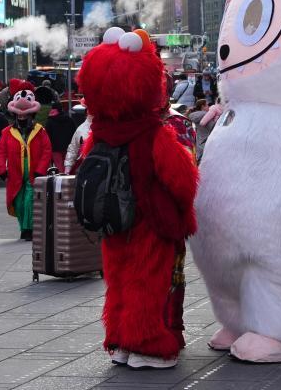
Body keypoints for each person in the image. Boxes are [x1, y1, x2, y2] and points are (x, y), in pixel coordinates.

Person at [76, 27, 198, 370]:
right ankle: (147, 346)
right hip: (149, 219)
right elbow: (182, 179)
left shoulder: (98, 133)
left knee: (118, 281)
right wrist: (184, 215)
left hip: (113, 221)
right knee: (147, 282)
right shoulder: (153, 134)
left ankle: (117, 341)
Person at [0, 81, 51, 241]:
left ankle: (29, 229)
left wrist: (41, 169)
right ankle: (23, 226)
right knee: (18, 201)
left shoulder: (40, 131)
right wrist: (1, 170)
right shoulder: (7, 132)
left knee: (30, 199)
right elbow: (0, 151)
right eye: (19, 113)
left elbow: (47, 151)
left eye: (25, 113)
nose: (22, 115)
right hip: (15, 171)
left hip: (33, 171)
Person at [44, 102, 76, 171]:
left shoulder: (50, 121)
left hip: (55, 149)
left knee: (59, 167)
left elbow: (46, 135)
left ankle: (61, 180)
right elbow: (74, 132)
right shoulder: (69, 119)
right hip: (68, 147)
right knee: (68, 165)